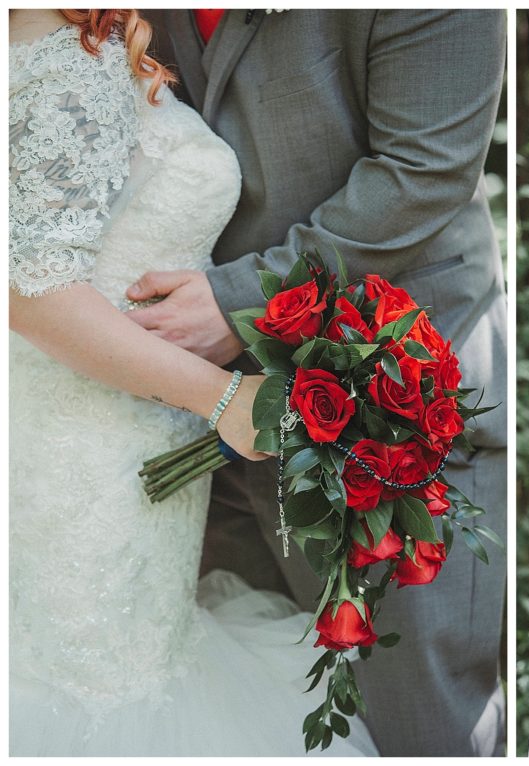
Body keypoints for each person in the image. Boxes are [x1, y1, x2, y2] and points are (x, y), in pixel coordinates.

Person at [132, 10, 508, 757]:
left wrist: (239, 303)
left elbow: (422, 171)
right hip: (184, 401)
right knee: (231, 711)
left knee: (411, 724)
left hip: (386, 397)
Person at [9, 8, 376, 756]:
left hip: (95, 435)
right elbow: (33, 291)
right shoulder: (68, 62)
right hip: (88, 456)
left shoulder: (64, 40)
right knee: (90, 692)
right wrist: (223, 397)